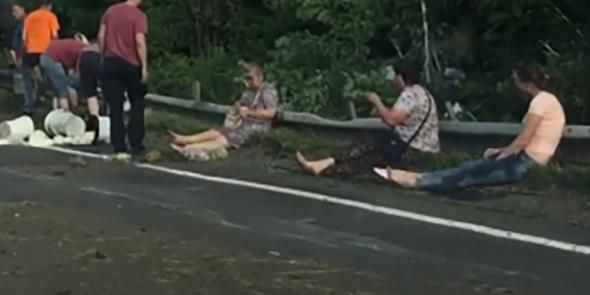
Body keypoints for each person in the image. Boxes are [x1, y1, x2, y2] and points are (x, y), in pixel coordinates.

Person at [379, 62, 565, 193]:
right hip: (527, 159)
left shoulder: (541, 102)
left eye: (516, 80)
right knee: (470, 171)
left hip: (525, 162)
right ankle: (420, 179)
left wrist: (503, 154)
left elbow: (525, 139)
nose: (515, 85)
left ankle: (417, 180)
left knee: (468, 172)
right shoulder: (547, 100)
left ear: (525, 82)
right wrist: (501, 151)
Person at [295, 58, 438, 176]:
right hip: (421, 154)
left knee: (368, 140)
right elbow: (404, 122)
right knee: (367, 161)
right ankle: (322, 167)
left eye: (395, 75)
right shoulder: (424, 95)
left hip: (410, 151)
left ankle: (323, 165)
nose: (393, 80)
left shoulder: (409, 95)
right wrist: (381, 113)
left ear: (401, 77)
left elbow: (391, 120)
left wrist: (377, 101)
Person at [168, 61, 278, 160]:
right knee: (218, 131)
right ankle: (184, 139)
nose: (248, 81)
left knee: (224, 138)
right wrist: (239, 109)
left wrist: (250, 112)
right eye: (246, 78)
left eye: (250, 78)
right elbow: (239, 103)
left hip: (256, 126)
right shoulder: (249, 91)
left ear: (260, 77)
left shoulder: (268, 91)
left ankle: (189, 148)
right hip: (243, 123)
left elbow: (271, 113)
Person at [98, 0, 149, 158]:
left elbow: (101, 36)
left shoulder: (110, 11)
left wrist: (103, 56)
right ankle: (136, 142)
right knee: (137, 103)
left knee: (115, 105)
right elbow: (139, 42)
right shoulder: (139, 16)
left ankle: (118, 144)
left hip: (111, 62)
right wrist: (144, 67)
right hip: (131, 63)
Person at [21, 1, 60, 110]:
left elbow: (24, 39)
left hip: (30, 51)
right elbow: (55, 36)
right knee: (50, 77)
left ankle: (29, 105)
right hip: (45, 52)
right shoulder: (51, 16)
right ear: (49, 6)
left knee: (27, 79)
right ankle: (52, 103)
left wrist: (22, 54)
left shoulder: (29, 17)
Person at [39, 33, 87, 111]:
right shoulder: (83, 50)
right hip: (52, 59)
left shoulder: (74, 45)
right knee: (63, 89)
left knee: (57, 88)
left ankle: (55, 111)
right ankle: (66, 113)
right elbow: (78, 71)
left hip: (45, 56)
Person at [8, 4, 33, 113]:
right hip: (23, 56)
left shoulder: (27, 23)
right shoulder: (19, 25)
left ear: (23, 9)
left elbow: (25, 42)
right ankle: (28, 104)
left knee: (28, 81)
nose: (14, 14)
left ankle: (29, 106)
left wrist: (20, 57)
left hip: (28, 56)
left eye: (16, 11)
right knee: (26, 81)